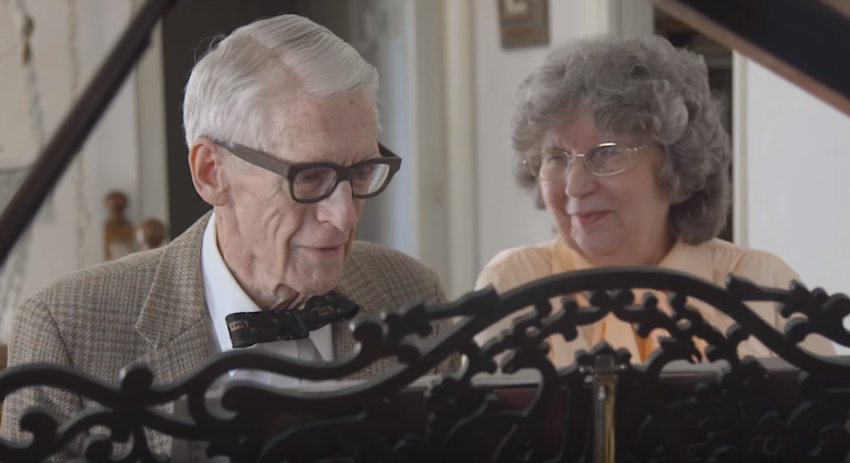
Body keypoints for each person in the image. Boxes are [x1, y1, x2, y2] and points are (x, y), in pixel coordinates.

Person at [1, 14, 455, 459]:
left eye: (360, 172)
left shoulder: (414, 295)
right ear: (211, 172)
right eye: (310, 176)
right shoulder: (67, 332)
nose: (343, 216)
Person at [476, 35, 835, 365]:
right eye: (556, 157)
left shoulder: (765, 284)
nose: (575, 186)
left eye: (606, 153)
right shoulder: (514, 283)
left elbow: (827, 429)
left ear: (674, 163)